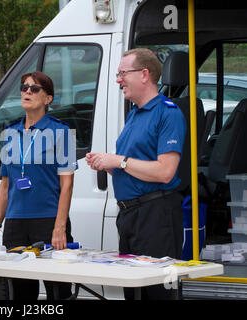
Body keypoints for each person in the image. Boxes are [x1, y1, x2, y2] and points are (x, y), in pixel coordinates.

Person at [86, 48, 187, 300]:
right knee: (132, 292)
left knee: (157, 294)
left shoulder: (168, 113)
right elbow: (134, 167)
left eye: (122, 73)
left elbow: (165, 172)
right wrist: (107, 164)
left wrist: (119, 161)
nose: (118, 79)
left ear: (144, 74)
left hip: (155, 215)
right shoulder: (134, 114)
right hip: (130, 216)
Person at [0, 71, 77, 300]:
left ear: (48, 99)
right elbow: (5, 186)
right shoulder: (10, 134)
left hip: (48, 221)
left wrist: (60, 227)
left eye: (34, 88)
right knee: (20, 293)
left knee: (58, 292)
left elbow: (67, 186)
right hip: (16, 224)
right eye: (24, 87)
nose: (27, 92)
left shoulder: (61, 132)